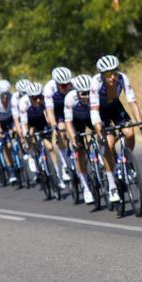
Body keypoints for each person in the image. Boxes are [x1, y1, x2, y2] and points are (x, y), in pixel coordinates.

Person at [90, 55, 142, 204]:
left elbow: (132, 103)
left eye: (114, 73)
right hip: (101, 112)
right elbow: (94, 110)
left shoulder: (122, 78)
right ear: (102, 75)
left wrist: (141, 123)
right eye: (107, 74)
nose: (112, 77)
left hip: (116, 108)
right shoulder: (95, 83)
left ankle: (126, 159)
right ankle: (112, 187)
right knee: (108, 144)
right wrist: (100, 130)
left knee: (129, 132)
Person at [63, 74, 98, 204]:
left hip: (92, 118)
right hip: (77, 122)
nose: (88, 96)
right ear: (77, 93)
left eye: (89, 93)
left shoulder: (95, 95)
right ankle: (86, 188)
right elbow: (68, 122)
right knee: (80, 152)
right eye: (84, 94)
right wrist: (73, 138)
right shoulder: (70, 98)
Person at [43, 67, 75, 189]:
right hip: (58, 111)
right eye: (62, 86)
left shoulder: (74, 85)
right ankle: (65, 163)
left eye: (68, 84)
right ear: (56, 84)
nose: (66, 88)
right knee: (61, 133)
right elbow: (50, 111)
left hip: (71, 107)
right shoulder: (48, 89)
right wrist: (54, 126)